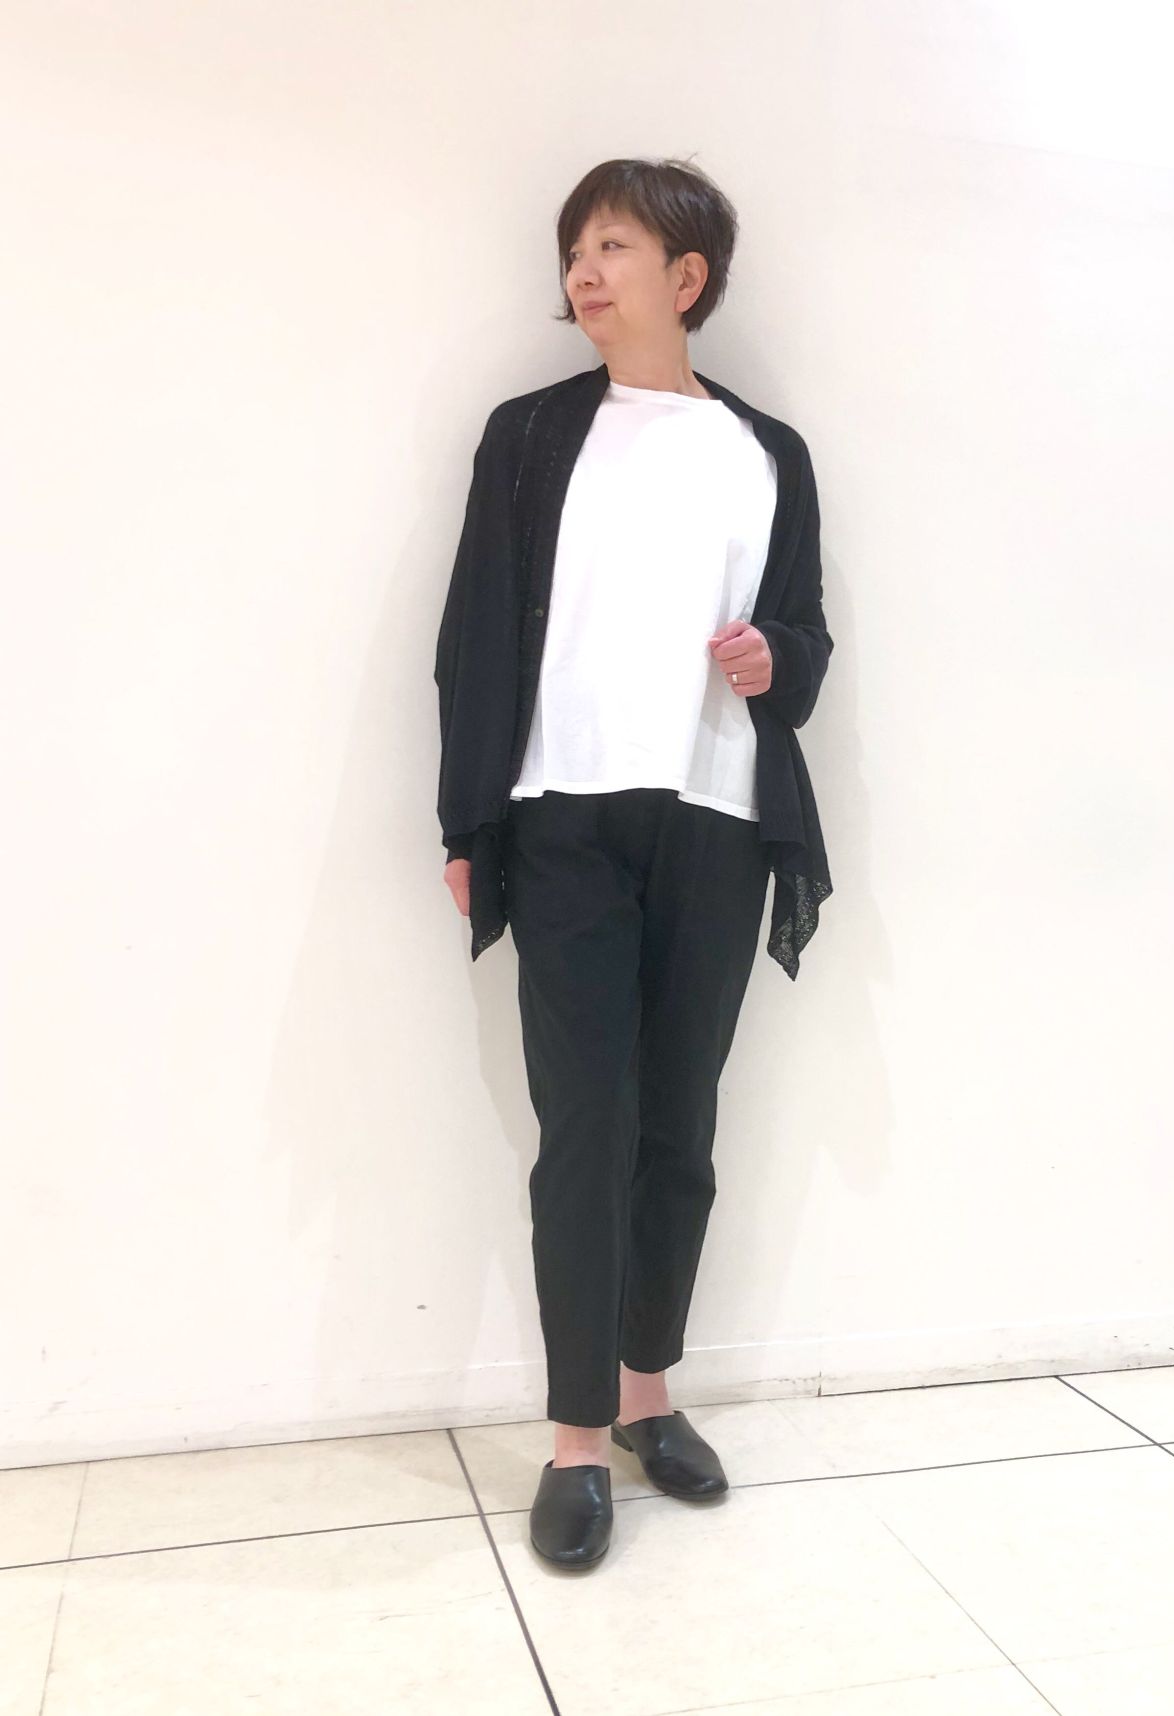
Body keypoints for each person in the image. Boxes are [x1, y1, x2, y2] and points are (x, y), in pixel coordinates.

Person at [434, 156, 835, 1567]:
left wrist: (775, 656)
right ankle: (575, 1438)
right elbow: (475, 631)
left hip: (716, 814)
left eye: (613, 245)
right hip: (565, 818)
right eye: (575, 250)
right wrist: (467, 821)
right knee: (584, 1126)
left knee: (679, 1125)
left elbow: (807, 638)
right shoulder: (533, 435)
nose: (585, 271)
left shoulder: (768, 453)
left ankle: (650, 1396)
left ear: (688, 275)